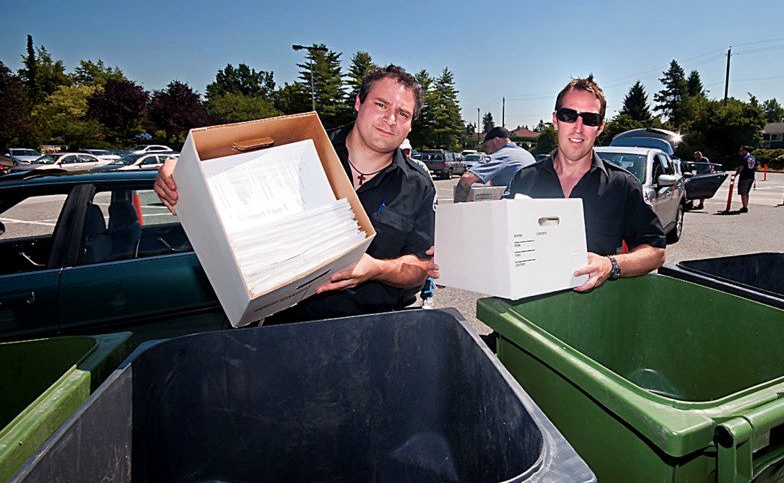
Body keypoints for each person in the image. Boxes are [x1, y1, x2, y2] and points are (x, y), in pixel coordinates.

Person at [154, 65, 439, 321]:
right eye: (381, 104)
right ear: (358, 102)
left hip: (375, 329)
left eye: (402, 114)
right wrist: (179, 169)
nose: (390, 119)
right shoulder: (301, 149)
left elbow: (419, 265)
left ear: (411, 124)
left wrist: (375, 269)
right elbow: (231, 164)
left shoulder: (418, 186)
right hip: (287, 326)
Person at [506, 76, 666, 292]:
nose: (578, 128)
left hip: (589, 316)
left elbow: (656, 252)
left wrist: (610, 265)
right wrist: (451, 263)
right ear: (555, 120)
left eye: (589, 119)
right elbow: (495, 242)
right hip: (525, 312)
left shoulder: (622, 185)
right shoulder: (524, 180)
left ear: (600, 127)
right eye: (568, 116)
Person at [454, 127, 535, 202]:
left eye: (487, 146)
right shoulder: (527, 154)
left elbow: (466, 179)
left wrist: (458, 211)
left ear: (495, 140)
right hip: (530, 205)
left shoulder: (501, 155)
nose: (488, 151)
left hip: (508, 208)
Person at [400, 138, 435, 309]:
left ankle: (427, 296)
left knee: (424, 256)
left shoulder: (419, 167)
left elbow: (430, 190)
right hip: (402, 217)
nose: (406, 154)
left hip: (420, 216)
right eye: (403, 151)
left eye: (408, 151)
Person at [733, 145, 757, 213]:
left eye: (741, 151)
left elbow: (741, 168)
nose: (740, 152)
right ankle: (745, 205)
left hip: (744, 177)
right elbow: (756, 167)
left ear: (745, 151)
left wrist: (735, 175)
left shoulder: (744, 158)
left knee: (743, 193)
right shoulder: (753, 157)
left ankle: (744, 207)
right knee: (746, 193)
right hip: (751, 177)